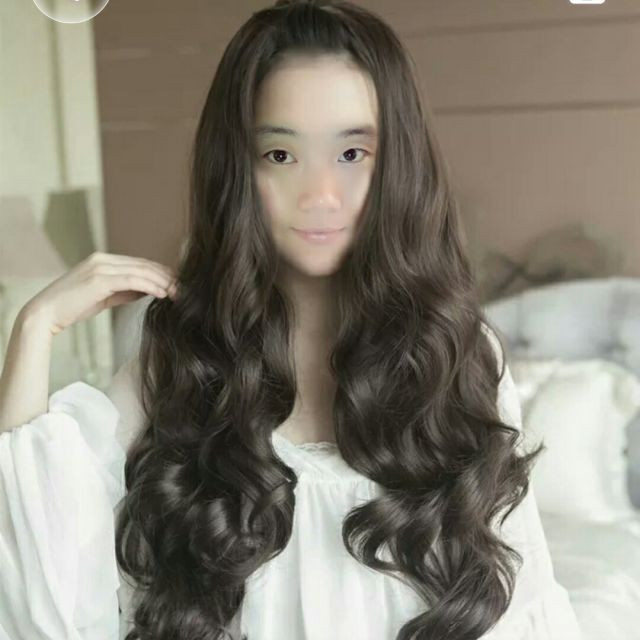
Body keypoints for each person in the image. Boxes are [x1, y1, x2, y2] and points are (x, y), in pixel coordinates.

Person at [0, 1, 585, 639]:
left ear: (398, 165)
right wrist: (34, 329)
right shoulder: (182, 355)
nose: (320, 195)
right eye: (280, 155)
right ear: (238, 169)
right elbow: (43, 581)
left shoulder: (457, 354)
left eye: (352, 153)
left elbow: (522, 602)